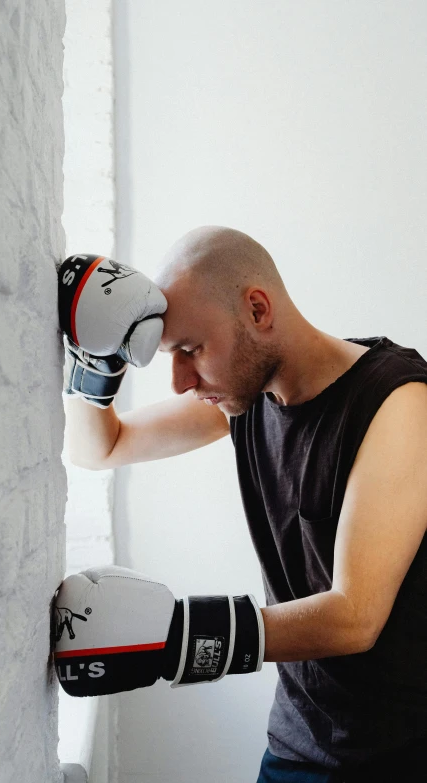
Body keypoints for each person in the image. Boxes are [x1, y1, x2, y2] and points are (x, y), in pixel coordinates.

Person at [55, 226, 427, 782]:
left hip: (397, 757)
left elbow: (354, 617)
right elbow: (97, 447)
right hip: (295, 746)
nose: (180, 382)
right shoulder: (245, 401)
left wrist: (177, 638)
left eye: (190, 350)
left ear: (257, 309)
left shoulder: (398, 404)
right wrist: (96, 356)